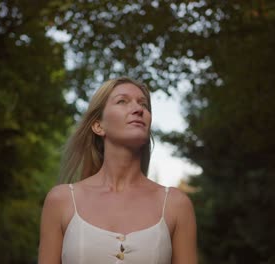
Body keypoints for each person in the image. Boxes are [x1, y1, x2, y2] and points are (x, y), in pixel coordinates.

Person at [38, 77, 197, 264]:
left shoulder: (176, 205)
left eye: (143, 104)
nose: (139, 109)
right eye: (122, 101)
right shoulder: (61, 200)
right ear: (98, 126)